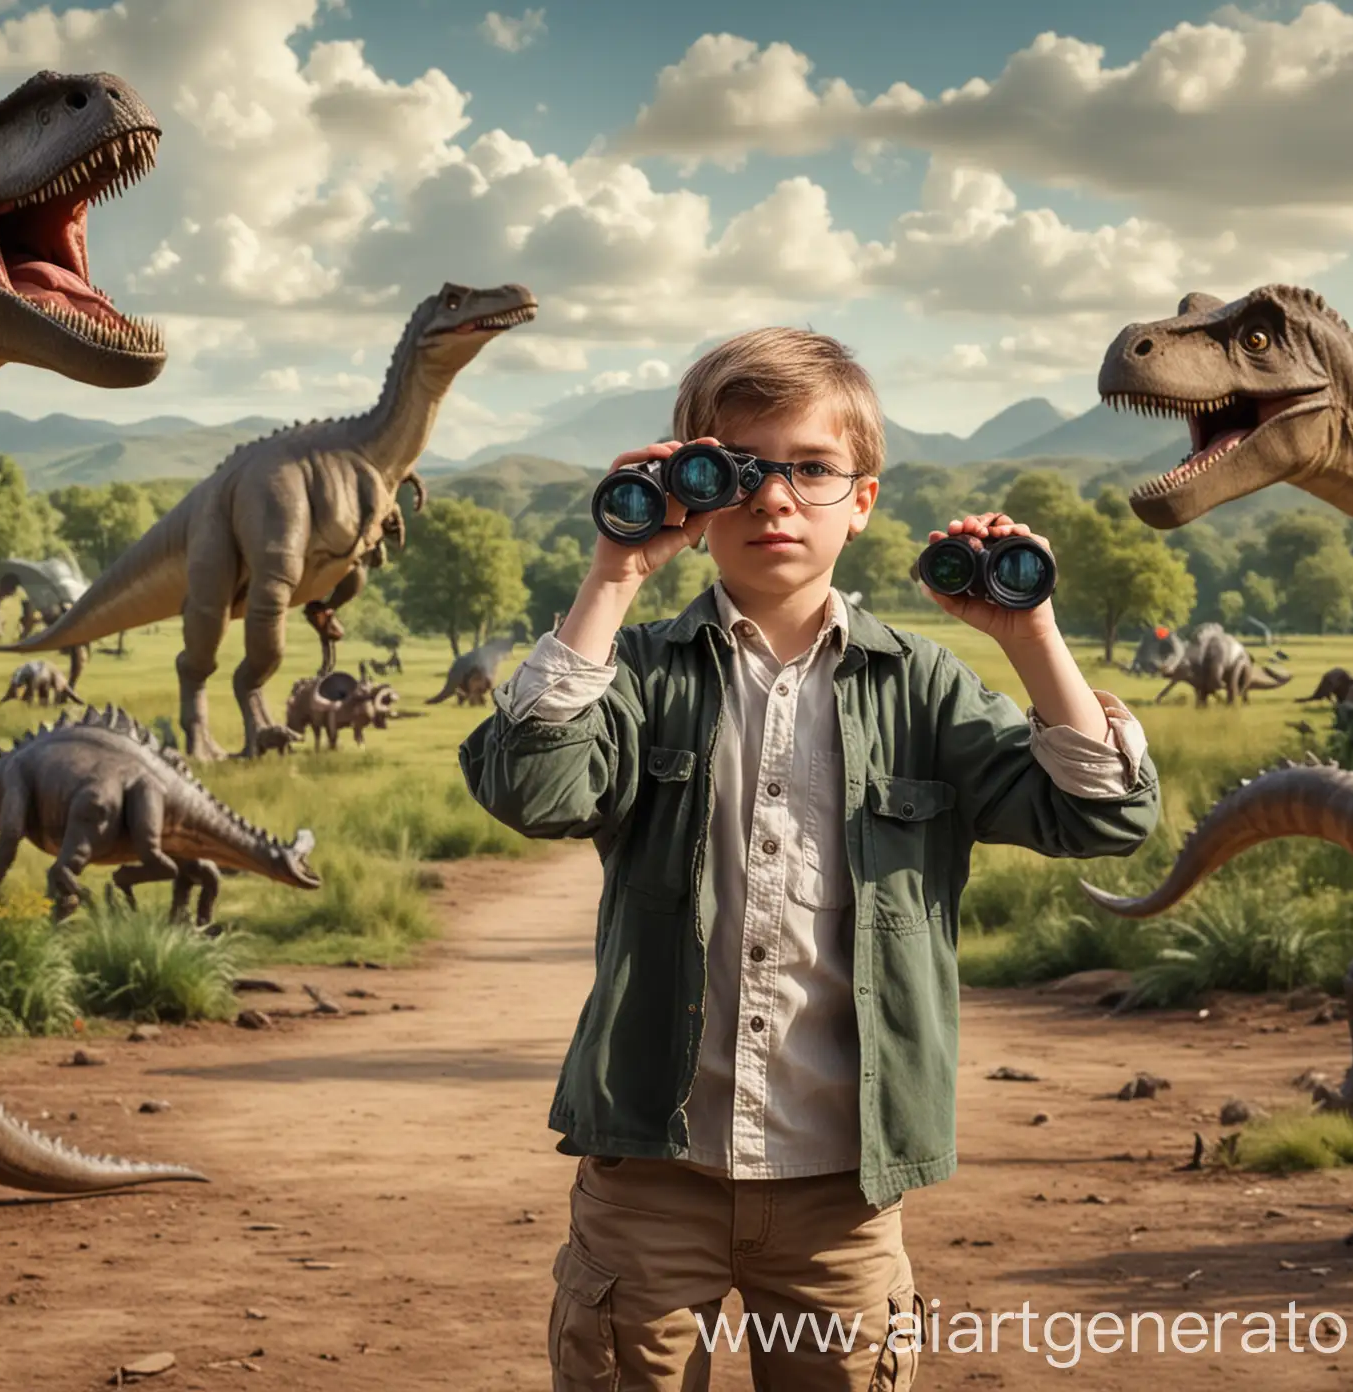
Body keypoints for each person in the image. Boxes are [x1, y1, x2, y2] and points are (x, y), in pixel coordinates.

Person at [457, 328, 1159, 1390]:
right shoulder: (641, 674)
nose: (775, 498)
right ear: (687, 495)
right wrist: (614, 570)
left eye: (811, 469)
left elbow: (1098, 815)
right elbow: (535, 790)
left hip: (846, 1183)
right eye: (735, 470)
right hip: (654, 1168)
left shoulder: (920, 686)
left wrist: (1029, 635)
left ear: (862, 500)